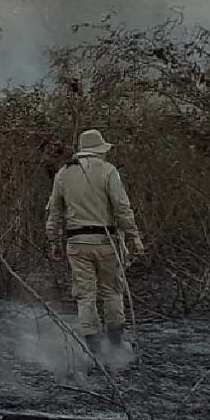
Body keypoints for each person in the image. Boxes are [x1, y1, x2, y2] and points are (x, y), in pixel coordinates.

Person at [45, 129, 145, 361]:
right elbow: (122, 207)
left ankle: (94, 349)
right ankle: (116, 346)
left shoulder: (63, 173)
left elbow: (55, 211)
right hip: (106, 241)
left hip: (76, 242)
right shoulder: (109, 171)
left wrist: (54, 240)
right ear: (100, 150)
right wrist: (134, 237)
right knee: (112, 291)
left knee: (85, 294)